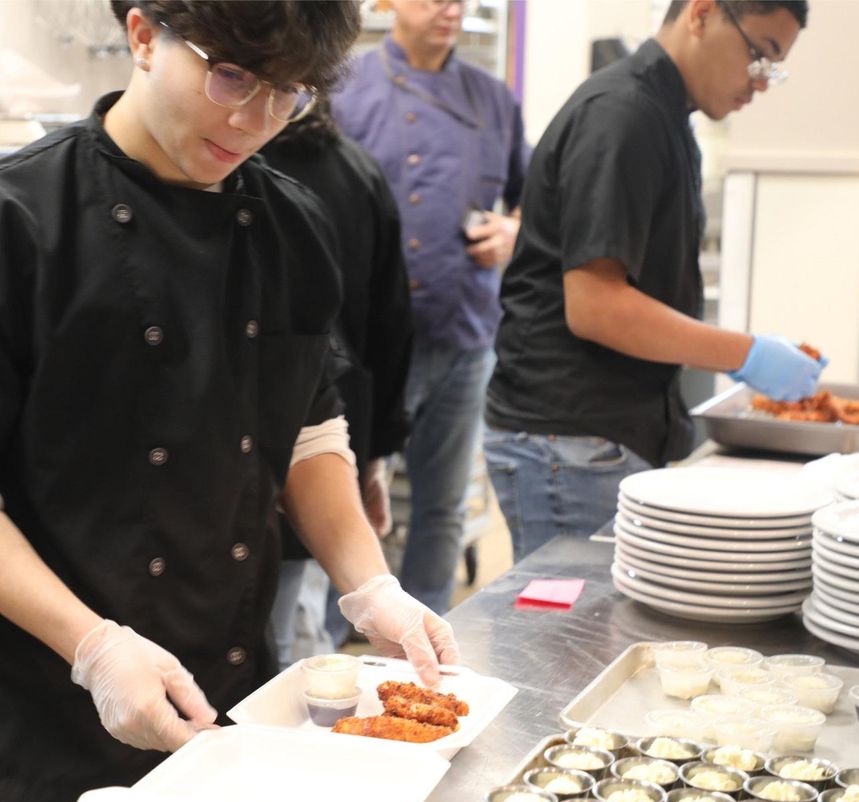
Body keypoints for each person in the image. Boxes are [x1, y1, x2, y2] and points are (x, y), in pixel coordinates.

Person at [0, 3, 458, 802]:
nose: (252, 121)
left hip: (227, 705)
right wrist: (96, 649)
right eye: (232, 75)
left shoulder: (291, 224)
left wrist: (373, 590)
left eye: (285, 93)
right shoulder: (5, 220)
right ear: (143, 36)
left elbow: (308, 429)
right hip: (39, 725)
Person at [485, 0, 822, 561]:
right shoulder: (624, 113)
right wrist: (747, 353)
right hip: (567, 438)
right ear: (702, 13)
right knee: (576, 640)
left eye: (773, 68)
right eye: (758, 56)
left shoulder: (665, 115)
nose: (759, 84)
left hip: (598, 434)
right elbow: (595, 306)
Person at [332, 0, 529, 615]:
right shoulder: (344, 88)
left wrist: (512, 232)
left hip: (466, 329)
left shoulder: (492, 98)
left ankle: (430, 639)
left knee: (442, 507)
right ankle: (339, 640)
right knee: (349, 498)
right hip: (371, 341)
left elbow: (530, 203)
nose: (450, 11)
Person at [260, 100, 414, 667]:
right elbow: (391, 332)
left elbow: (385, 327)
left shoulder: (293, 193)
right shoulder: (356, 170)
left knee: (293, 634)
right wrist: (375, 456)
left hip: (320, 438)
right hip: (336, 435)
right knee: (297, 619)